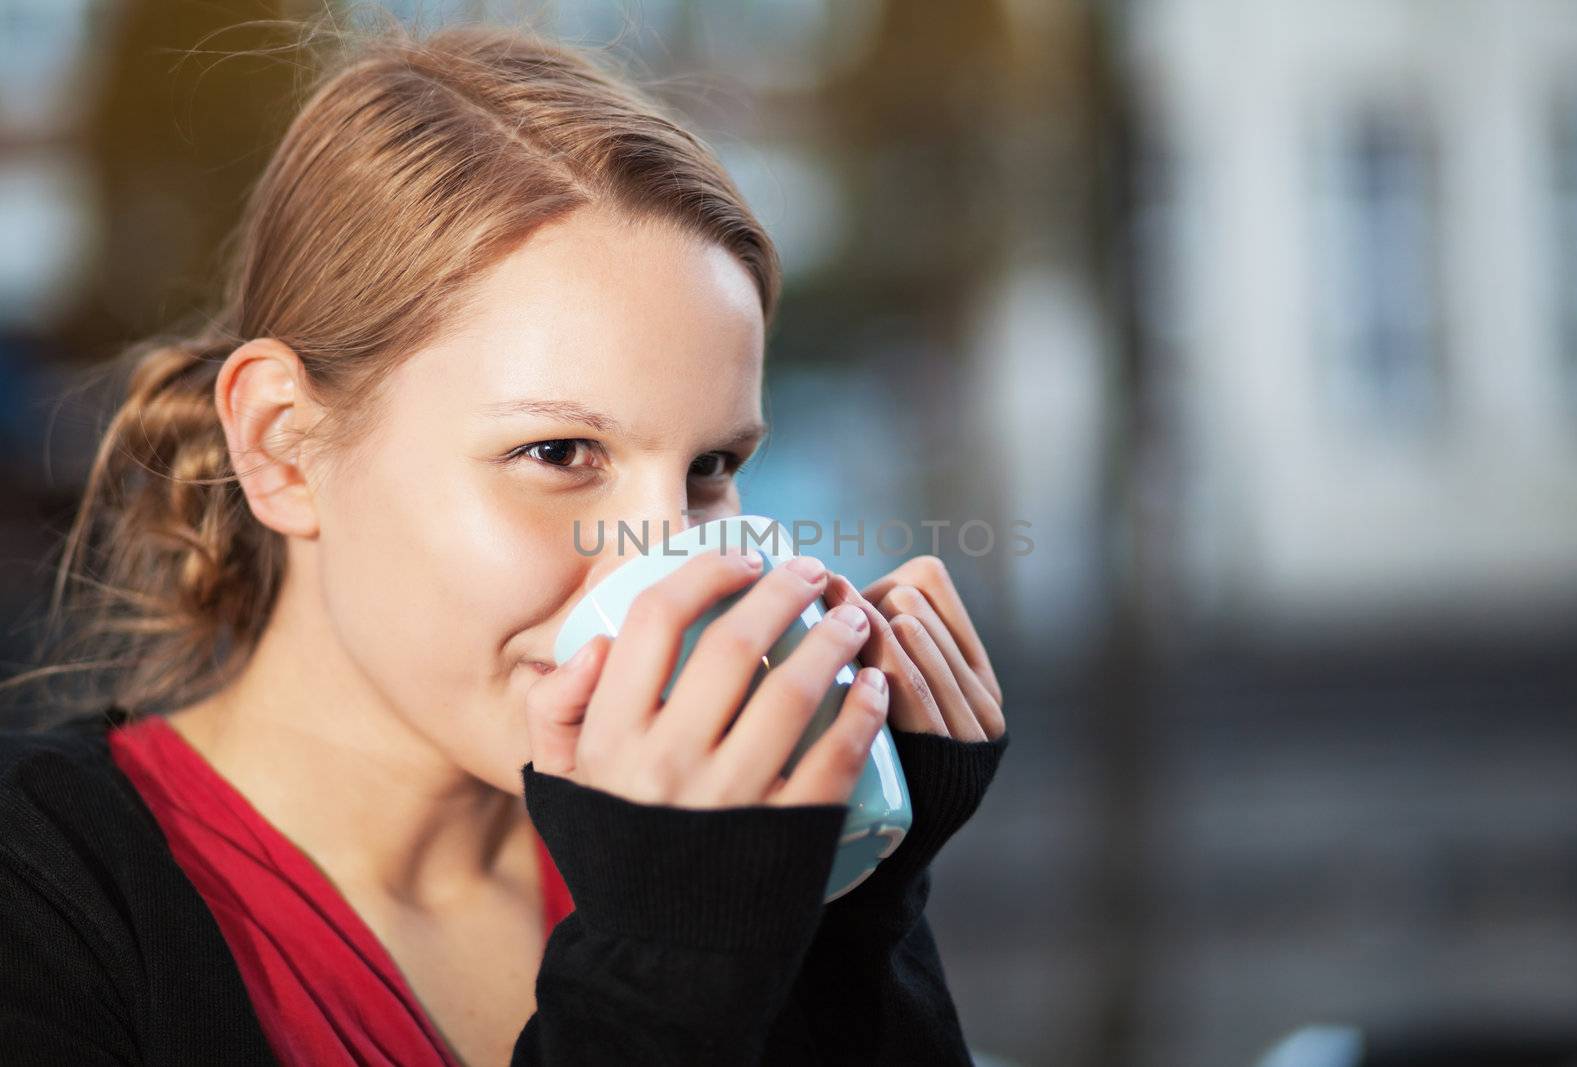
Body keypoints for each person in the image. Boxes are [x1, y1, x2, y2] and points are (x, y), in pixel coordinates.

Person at [0, 18, 1011, 1067]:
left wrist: (850, 922)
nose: (665, 559)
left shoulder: (705, 848)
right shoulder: (41, 892)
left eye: (711, 466)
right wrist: (658, 975)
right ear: (282, 446)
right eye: (561, 450)